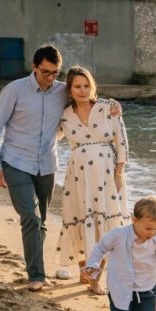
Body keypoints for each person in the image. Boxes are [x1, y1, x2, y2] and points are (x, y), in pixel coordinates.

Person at [0, 45, 120, 291]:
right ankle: (36, 275)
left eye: (55, 72)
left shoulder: (62, 91)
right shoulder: (14, 90)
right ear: (34, 67)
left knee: (43, 221)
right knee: (31, 217)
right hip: (16, 162)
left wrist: (113, 105)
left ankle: (40, 271)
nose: (50, 78)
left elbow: (86, 102)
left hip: (47, 165)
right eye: (45, 72)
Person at [55, 66, 129, 294]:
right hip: (78, 176)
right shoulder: (65, 115)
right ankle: (84, 272)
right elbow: (50, 138)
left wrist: (118, 174)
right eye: (77, 86)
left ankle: (96, 279)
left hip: (107, 174)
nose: (83, 90)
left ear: (92, 86)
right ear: (69, 89)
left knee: (107, 226)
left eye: (86, 85)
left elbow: (122, 142)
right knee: (78, 219)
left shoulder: (108, 108)